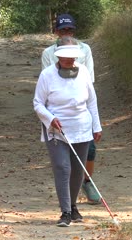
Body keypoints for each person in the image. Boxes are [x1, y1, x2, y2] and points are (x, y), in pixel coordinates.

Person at [34, 37, 102, 227]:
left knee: (77, 171)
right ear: (58, 56)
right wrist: (50, 119)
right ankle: (65, 212)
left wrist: (97, 126)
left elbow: (92, 101)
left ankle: (73, 207)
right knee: (63, 168)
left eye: (72, 57)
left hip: (81, 128)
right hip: (57, 130)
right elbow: (38, 103)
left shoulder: (84, 72)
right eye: (65, 57)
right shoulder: (47, 75)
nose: (69, 60)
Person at [41, 13, 101, 204]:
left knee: (89, 149)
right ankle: (68, 202)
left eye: (70, 29)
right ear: (56, 32)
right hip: (58, 109)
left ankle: (87, 181)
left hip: (80, 105)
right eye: (63, 29)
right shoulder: (48, 54)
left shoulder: (85, 49)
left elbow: (88, 80)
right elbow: (47, 80)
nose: (67, 32)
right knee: (64, 158)